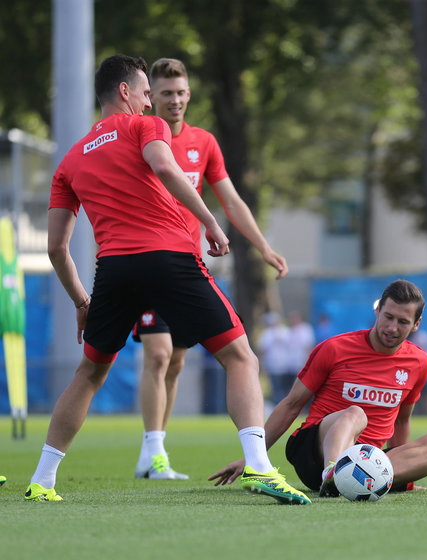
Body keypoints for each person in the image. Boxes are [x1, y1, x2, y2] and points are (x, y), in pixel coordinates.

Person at [26, 54, 308, 505]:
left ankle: (42, 479)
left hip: (113, 271)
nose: (148, 101)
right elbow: (164, 166)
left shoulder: (71, 160)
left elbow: (57, 248)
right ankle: (259, 467)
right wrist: (209, 222)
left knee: (90, 372)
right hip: (169, 258)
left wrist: (82, 301)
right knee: (240, 358)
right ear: (125, 91)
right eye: (144, 92)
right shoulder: (145, 127)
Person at [131, 58, 288, 481]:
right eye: (166, 93)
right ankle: (153, 451)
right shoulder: (140, 135)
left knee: (178, 360)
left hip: (189, 264)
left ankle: (154, 452)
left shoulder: (204, 142)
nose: (175, 100)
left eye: (181, 92)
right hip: (149, 262)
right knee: (158, 354)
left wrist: (264, 248)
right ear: (151, 97)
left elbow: (232, 200)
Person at [208, 279, 427, 496]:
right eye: (388, 317)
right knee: (355, 413)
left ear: (416, 324)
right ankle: (336, 472)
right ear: (378, 310)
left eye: (403, 322)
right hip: (313, 453)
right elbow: (291, 405)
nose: (392, 328)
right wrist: (253, 457)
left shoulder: (420, 362)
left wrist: (406, 478)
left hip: (368, 458)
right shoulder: (335, 349)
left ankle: (367, 480)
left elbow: (401, 422)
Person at [257, 311, 291, 405]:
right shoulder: (267, 333)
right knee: (276, 387)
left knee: (285, 387)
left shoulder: (285, 331)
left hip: (285, 364)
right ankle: (278, 405)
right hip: (272, 364)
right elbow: (262, 348)